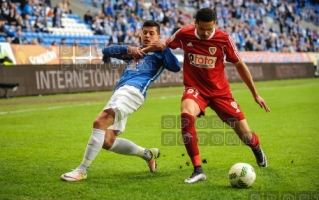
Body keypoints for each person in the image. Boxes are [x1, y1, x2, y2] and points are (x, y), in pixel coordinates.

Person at [148, 8, 270, 184]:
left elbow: (240, 65)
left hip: (221, 93)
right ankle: (198, 170)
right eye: (202, 29)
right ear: (195, 23)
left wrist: (255, 94)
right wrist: (141, 49)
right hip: (195, 89)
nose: (205, 33)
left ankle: (256, 148)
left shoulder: (224, 39)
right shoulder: (184, 34)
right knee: (186, 115)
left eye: (209, 29)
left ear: (215, 25)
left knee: (246, 137)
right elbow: (164, 44)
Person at [61, 20, 181, 181]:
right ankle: (147, 154)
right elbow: (107, 50)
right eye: (145, 32)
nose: (147, 35)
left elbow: (175, 67)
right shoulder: (135, 52)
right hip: (120, 93)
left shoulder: (160, 55)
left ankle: (81, 170)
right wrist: (128, 49)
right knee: (107, 140)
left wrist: (164, 49)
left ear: (159, 36)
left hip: (133, 92)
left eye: (152, 33)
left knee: (99, 122)